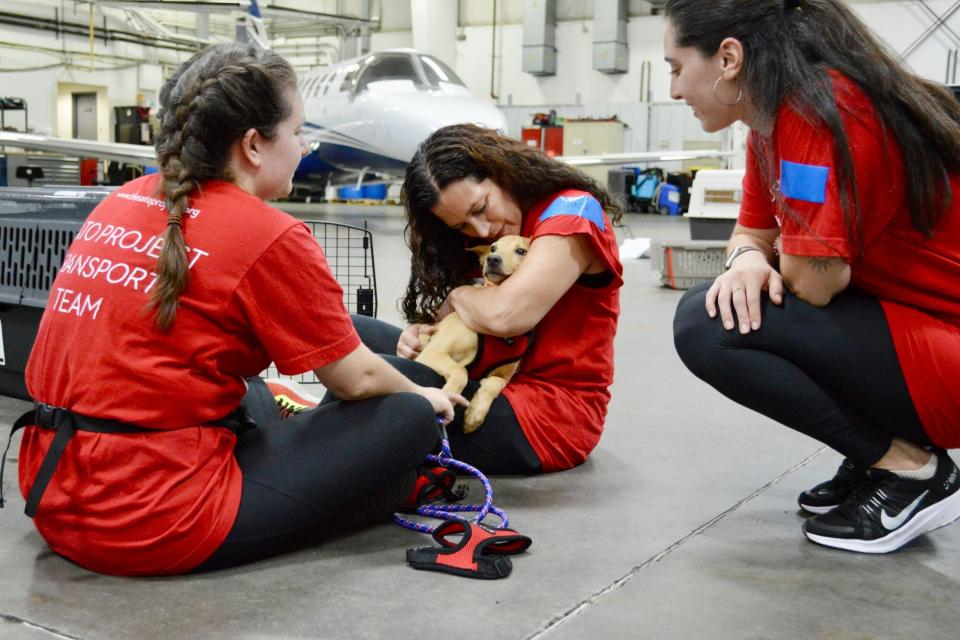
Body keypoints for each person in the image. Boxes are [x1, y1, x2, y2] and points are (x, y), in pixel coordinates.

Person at [6, 42, 464, 576]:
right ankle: (376, 495)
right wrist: (426, 395)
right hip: (152, 519)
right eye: (297, 132)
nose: (303, 145)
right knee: (409, 412)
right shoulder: (269, 234)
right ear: (252, 145)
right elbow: (356, 381)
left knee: (258, 388)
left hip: (58, 492)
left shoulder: (123, 197)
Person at [668, 0, 960, 554]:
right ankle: (888, 451)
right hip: (917, 329)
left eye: (676, 68)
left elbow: (815, 283)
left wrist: (761, 261)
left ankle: (913, 470)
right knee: (721, 301)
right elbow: (750, 235)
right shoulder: (768, 125)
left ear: (728, 58)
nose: (675, 90)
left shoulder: (817, 110)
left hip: (946, 344)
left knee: (706, 325)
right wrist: (748, 260)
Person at [350, 123, 624, 475]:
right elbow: (466, 324)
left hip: (543, 416)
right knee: (352, 335)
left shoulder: (572, 214)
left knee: (382, 380)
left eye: (481, 208)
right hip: (479, 373)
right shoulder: (495, 234)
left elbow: (505, 316)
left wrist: (459, 294)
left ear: (501, 173)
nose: (481, 230)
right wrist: (422, 337)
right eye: (462, 225)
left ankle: (305, 439)